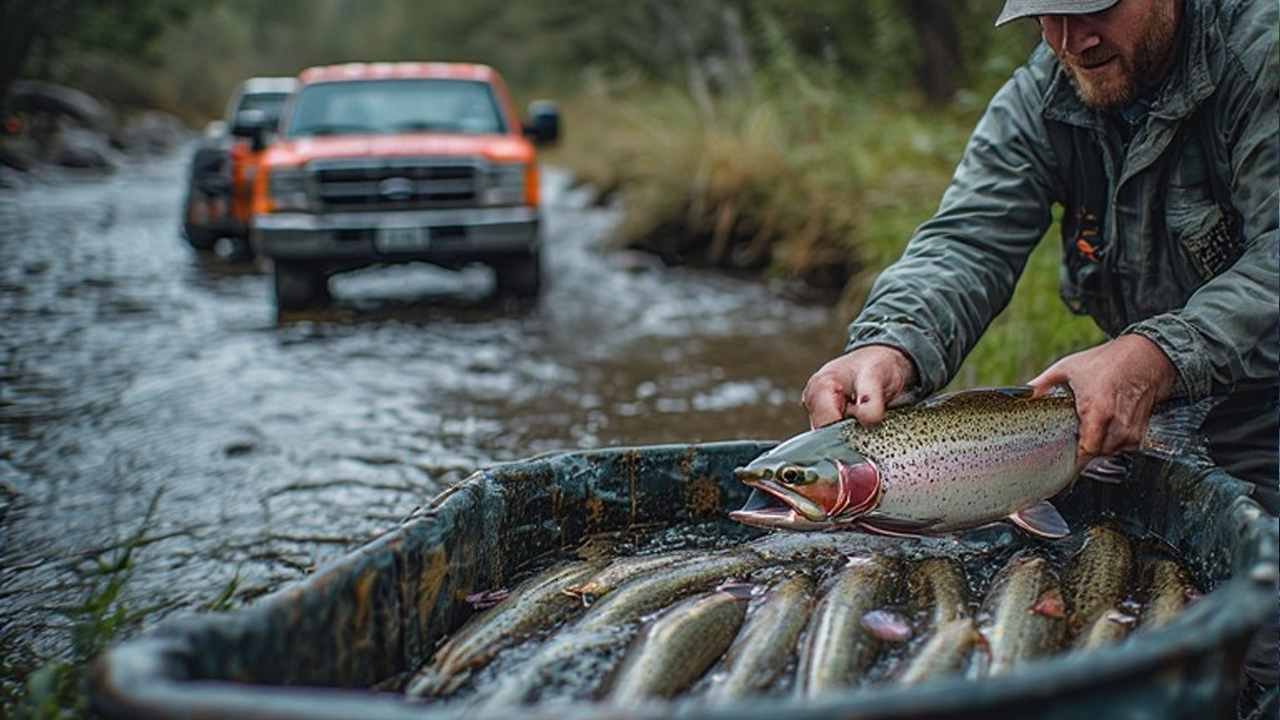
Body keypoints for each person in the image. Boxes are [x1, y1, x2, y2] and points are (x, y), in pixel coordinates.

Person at [800, 0, 1277, 707]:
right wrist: (889, 341)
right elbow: (967, 240)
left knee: (1262, 649)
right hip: (1150, 422)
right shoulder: (1044, 95)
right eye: (1044, 15)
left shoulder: (1260, 55)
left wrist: (1153, 354)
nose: (1068, 41)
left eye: (1093, 10)